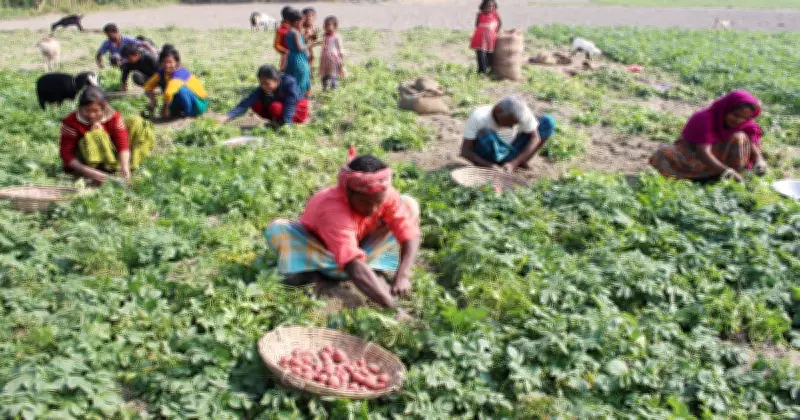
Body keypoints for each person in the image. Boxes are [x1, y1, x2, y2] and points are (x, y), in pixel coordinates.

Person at [265, 154, 421, 321]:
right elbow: (352, 264)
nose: (374, 209)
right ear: (348, 192)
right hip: (323, 256)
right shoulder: (333, 209)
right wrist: (392, 308)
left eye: (378, 203)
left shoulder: (386, 194)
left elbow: (409, 233)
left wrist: (403, 274)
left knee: (409, 205)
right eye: (366, 203)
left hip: (358, 251)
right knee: (279, 229)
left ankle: (370, 273)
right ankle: (313, 276)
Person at [650, 90, 767, 182]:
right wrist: (727, 172)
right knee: (663, 153)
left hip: (720, 159)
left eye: (744, 118)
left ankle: (723, 176)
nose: (739, 120)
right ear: (726, 109)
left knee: (740, 137)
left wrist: (759, 160)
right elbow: (703, 152)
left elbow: (751, 142)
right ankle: (698, 177)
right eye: (735, 115)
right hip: (693, 157)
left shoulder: (744, 123)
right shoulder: (705, 118)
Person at [59, 86, 154, 184]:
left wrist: (125, 167)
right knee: (96, 134)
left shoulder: (113, 117)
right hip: (86, 162)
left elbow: (122, 143)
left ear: (104, 107)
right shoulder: (71, 121)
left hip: (110, 154)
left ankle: (123, 167)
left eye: (96, 111)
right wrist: (87, 171)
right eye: (87, 110)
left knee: (140, 124)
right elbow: (66, 153)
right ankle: (100, 170)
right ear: (81, 107)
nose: (91, 115)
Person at [460, 96, 556, 172]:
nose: (511, 127)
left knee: (547, 122)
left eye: (515, 124)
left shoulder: (522, 112)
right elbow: (465, 151)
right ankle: (495, 165)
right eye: (509, 122)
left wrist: (514, 163)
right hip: (490, 155)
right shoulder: (479, 116)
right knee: (485, 134)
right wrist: (490, 166)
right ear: (498, 111)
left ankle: (521, 161)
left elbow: (535, 138)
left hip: (511, 150)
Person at [220, 65, 309, 126]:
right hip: (281, 107)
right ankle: (276, 121)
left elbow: (290, 104)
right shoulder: (262, 89)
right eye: (261, 83)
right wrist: (227, 116)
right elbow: (245, 103)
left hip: (296, 107)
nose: (264, 86)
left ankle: (282, 122)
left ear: (277, 80)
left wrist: (287, 125)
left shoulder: (289, 83)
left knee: (275, 107)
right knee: (256, 104)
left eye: (267, 83)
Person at [144, 47, 209, 119]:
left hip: (199, 103)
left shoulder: (180, 73)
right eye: (164, 62)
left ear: (176, 62)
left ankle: (188, 113)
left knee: (180, 90)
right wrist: (153, 100)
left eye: (170, 62)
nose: (167, 65)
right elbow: (148, 86)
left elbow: (168, 93)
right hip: (181, 100)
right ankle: (177, 111)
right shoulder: (162, 72)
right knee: (172, 93)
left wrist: (164, 109)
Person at [284, 8, 317, 97]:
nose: (303, 24)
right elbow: (300, 48)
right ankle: (298, 96)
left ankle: (291, 93)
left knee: (292, 76)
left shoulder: (288, 31)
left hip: (291, 57)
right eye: (302, 22)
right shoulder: (296, 33)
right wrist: (310, 44)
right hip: (299, 59)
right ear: (297, 22)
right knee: (301, 76)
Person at [469, 0, 501, 75]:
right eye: (489, 6)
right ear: (484, 6)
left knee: (489, 54)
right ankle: (481, 71)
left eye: (492, 6)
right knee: (480, 53)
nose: (490, 7)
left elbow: (499, 23)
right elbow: (477, 24)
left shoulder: (495, 14)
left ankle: (488, 69)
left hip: (490, 37)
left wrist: (495, 31)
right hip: (480, 36)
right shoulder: (480, 14)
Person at [319, 15, 345, 91]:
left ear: (335, 26)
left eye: (328, 25)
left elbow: (340, 49)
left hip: (333, 60)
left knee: (333, 75)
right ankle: (324, 88)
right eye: (324, 25)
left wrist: (341, 61)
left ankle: (334, 90)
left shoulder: (337, 37)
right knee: (324, 75)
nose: (325, 27)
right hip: (324, 60)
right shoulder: (324, 35)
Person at [273, 6, 294, 72]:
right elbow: (276, 45)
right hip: (286, 57)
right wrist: (286, 51)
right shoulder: (281, 30)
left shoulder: (296, 27)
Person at [301, 7, 320, 75]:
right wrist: (307, 35)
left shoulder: (314, 27)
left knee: (311, 58)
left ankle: (310, 72)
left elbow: (315, 38)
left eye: (312, 16)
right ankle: (305, 72)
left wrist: (314, 35)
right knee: (304, 59)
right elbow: (301, 39)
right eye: (307, 16)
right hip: (301, 48)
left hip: (309, 47)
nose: (310, 18)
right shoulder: (301, 27)